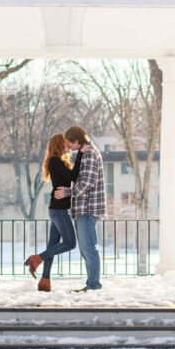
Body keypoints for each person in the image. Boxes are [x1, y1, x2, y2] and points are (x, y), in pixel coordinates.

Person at [24, 134, 80, 292]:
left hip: (57, 209)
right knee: (70, 243)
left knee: (53, 246)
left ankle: (45, 280)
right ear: (58, 144)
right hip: (59, 210)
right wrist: (80, 153)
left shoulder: (57, 161)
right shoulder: (55, 160)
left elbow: (69, 177)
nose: (68, 144)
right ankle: (38, 258)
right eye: (65, 142)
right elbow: (73, 176)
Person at [54, 125, 106, 292]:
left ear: (77, 141)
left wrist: (67, 192)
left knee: (89, 248)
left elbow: (88, 182)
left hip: (88, 208)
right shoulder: (85, 153)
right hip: (83, 209)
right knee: (86, 249)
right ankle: (91, 284)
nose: (68, 146)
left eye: (70, 143)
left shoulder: (90, 153)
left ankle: (94, 285)